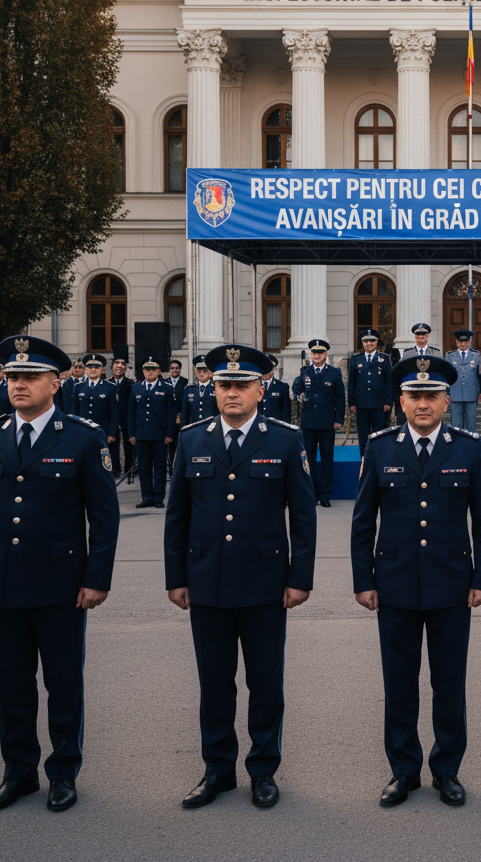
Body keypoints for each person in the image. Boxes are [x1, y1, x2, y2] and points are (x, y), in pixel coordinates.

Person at [164, 343, 316, 810]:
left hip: (266, 581)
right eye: (223, 385)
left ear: (260, 389)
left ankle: (263, 770)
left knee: (265, 682)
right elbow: (178, 517)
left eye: (240, 385)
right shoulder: (192, 439)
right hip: (206, 579)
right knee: (214, 681)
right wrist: (176, 577)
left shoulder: (285, 439)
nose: (231, 393)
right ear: (212, 388)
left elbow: (303, 517)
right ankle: (217, 770)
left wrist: (299, 578)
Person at [0, 335, 119, 814]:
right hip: (1, 582)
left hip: (61, 584)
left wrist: (97, 577)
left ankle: (63, 773)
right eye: (12, 376)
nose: (17, 384)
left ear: (54, 384)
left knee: (62, 683)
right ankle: (18, 773)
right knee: (12, 685)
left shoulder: (82, 436)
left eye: (29, 377)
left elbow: (103, 515)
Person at [351, 354, 481, 808]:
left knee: (449, 682)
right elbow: (362, 523)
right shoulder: (379, 447)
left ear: (446, 399)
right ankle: (403, 770)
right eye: (414, 396)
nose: (422, 404)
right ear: (400, 400)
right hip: (393, 583)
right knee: (400, 681)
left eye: (431, 395)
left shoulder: (468, 447)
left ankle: (447, 769)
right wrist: (364, 580)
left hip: (452, 583)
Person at [293, 338, 343, 508]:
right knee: (309, 461)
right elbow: (297, 388)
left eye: (319, 353)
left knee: (328, 460)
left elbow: (340, 399)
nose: (316, 356)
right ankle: (312, 494)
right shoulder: (305, 371)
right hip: (309, 422)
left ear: (325, 354)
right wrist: (298, 394)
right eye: (314, 353)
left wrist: (338, 420)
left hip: (328, 422)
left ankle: (325, 495)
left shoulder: (334, 373)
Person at [128, 356, 176, 509]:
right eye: (147, 370)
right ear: (143, 372)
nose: (150, 372)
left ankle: (158, 498)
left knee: (160, 468)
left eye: (153, 370)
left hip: (159, 435)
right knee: (143, 468)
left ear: (158, 371)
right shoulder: (136, 388)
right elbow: (131, 413)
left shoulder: (167, 388)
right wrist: (132, 434)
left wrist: (169, 434)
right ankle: (147, 497)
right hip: (141, 434)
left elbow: (171, 413)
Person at [348, 329, 393, 454]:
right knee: (363, 434)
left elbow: (389, 382)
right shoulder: (356, 359)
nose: (369, 344)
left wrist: (388, 402)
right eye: (366, 341)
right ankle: (365, 459)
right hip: (361, 404)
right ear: (362, 342)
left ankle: (379, 458)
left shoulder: (384, 358)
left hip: (379, 404)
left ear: (376, 342)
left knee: (379, 433)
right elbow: (352, 382)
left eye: (372, 341)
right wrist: (351, 402)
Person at [72, 354, 120, 461]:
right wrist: (74, 431)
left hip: (103, 431)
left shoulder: (110, 387)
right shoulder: (78, 387)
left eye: (96, 367)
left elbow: (114, 413)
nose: (93, 370)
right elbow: (74, 411)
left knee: (103, 460)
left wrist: (112, 433)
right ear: (85, 370)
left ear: (102, 370)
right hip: (83, 430)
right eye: (89, 367)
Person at [445, 329, 481, 433]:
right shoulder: (450, 356)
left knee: (471, 425)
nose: (463, 344)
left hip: (471, 394)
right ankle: (457, 447)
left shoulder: (476, 355)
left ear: (469, 342)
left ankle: (471, 447)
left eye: (465, 341)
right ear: (456, 342)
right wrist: (445, 393)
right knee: (456, 425)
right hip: (455, 394)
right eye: (460, 342)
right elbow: (446, 376)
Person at [108, 356, 135, 475]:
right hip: (112, 419)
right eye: (116, 364)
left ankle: (129, 469)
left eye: (122, 364)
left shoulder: (131, 384)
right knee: (113, 445)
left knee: (129, 446)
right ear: (112, 367)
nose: (119, 367)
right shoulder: (108, 383)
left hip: (127, 418)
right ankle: (115, 469)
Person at [165, 359, 189, 473]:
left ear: (180, 369)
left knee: (181, 443)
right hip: (169, 418)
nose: (174, 370)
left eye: (177, 368)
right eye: (172, 368)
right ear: (169, 370)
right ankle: (170, 468)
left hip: (182, 417)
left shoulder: (186, 382)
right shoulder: (164, 382)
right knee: (170, 444)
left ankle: (180, 467)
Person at [182, 356, 217, 426]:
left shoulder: (216, 388)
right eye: (199, 371)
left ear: (210, 373)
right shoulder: (189, 389)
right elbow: (185, 414)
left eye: (204, 371)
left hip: (211, 428)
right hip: (194, 428)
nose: (201, 374)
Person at [259, 354, 293, 423]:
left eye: (270, 367)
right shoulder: (253, 386)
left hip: (275, 428)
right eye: (264, 366)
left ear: (274, 368)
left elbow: (286, 413)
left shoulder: (282, 387)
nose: (267, 369)